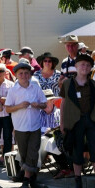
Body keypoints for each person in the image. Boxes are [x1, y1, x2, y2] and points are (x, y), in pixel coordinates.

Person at [5, 59, 48, 188]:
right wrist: (18, 106)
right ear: (16, 75)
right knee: (23, 154)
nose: (24, 76)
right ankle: (33, 182)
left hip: (34, 126)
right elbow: (7, 108)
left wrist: (38, 105)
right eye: (21, 73)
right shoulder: (13, 90)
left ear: (30, 74)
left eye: (26, 73)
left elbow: (45, 104)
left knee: (33, 153)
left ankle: (26, 181)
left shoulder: (35, 87)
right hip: (20, 127)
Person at [59, 54, 95, 188]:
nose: (84, 67)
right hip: (74, 121)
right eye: (82, 64)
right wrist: (62, 123)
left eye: (87, 65)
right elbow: (63, 103)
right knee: (77, 150)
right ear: (76, 67)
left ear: (91, 68)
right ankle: (77, 180)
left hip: (91, 120)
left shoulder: (93, 84)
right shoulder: (67, 83)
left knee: (94, 149)